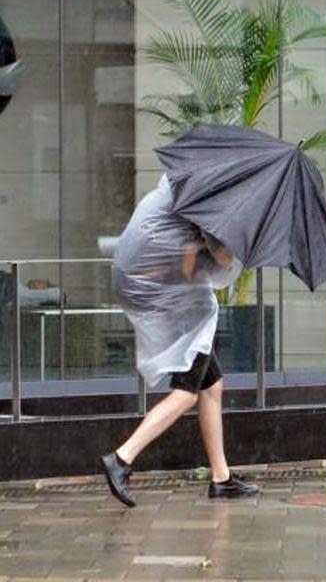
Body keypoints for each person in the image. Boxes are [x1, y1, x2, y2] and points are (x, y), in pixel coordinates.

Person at [100, 174, 259, 507]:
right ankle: (122, 458)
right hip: (174, 299)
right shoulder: (206, 200)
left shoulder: (183, 187)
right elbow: (224, 260)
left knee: (211, 387)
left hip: (158, 289)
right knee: (186, 393)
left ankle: (221, 478)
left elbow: (192, 260)